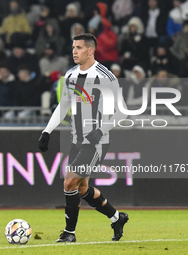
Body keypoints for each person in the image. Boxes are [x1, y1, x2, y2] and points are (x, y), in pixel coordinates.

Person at [38, 33, 129, 243]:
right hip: (76, 140)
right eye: (73, 47)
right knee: (81, 188)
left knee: (69, 182)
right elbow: (64, 106)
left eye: (78, 47)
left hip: (96, 142)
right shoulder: (70, 75)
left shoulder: (105, 77)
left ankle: (69, 233)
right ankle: (117, 218)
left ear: (90, 50)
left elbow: (122, 111)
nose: (74, 51)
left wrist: (102, 130)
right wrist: (47, 131)